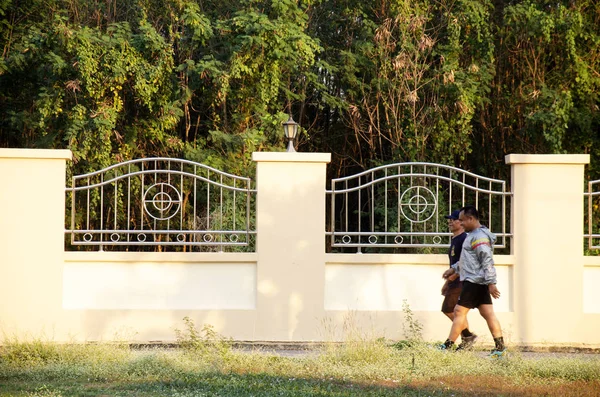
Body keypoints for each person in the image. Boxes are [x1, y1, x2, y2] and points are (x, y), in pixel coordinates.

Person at [440, 205, 506, 358]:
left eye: (462, 220)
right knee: (488, 313)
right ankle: (500, 348)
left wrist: (491, 282)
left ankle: (448, 346)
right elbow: (469, 259)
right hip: (476, 279)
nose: (460, 223)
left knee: (458, 311)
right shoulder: (473, 235)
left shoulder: (479, 237)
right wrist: (454, 269)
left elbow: (486, 260)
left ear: (471, 219)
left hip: (474, 280)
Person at [441, 209, 477, 350]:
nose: (450, 221)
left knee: (450, 309)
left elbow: (465, 262)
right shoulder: (455, 239)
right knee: (456, 311)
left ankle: (463, 338)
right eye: (449, 219)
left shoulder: (464, 240)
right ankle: (467, 338)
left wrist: (452, 278)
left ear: (461, 223)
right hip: (455, 280)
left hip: (461, 281)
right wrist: (447, 282)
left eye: (453, 219)